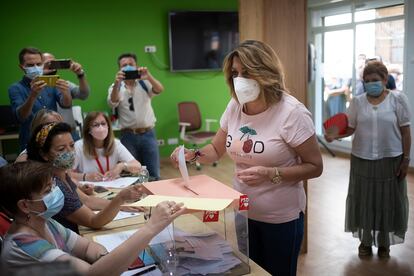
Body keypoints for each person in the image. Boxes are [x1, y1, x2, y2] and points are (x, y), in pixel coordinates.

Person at [170, 40, 323, 276]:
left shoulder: (292, 113)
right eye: (235, 73)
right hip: (243, 212)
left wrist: (272, 173)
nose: (239, 79)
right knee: (249, 272)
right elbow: (216, 149)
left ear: (266, 72)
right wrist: (193, 154)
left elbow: (315, 166)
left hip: (280, 219)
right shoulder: (235, 106)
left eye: (247, 72)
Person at [0, 161, 185, 275]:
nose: (56, 192)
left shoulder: (44, 222)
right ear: (25, 205)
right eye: (48, 191)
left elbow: (87, 246)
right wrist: (151, 228)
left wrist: (106, 260)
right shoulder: (26, 246)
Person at [325, 61, 411, 258]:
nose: (371, 84)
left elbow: (406, 132)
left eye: (375, 80)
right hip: (362, 159)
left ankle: (384, 243)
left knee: (387, 201)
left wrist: (406, 159)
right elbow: (350, 128)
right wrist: (334, 135)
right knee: (364, 200)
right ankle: (365, 241)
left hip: (391, 159)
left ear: (384, 79)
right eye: (367, 81)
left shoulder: (398, 100)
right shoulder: (357, 102)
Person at [27, 122, 143, 234]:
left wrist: (122, 206)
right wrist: (120, 198)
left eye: (72, 146)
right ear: (44, 154)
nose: (70, 152)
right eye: (61, 149)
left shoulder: (62, 174)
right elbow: (94, 221)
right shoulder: (53, 186)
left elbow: (88, 200)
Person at [107, 53, 164, 180]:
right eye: (124, 65)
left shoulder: (144, 83)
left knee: (153, 173)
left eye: (131, 64)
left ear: (136, 66)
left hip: (148, 134)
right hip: (128, 136)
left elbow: (160, 89)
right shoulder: (115, 87)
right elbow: (112, 101)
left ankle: (156, 198)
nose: (127, 67)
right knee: (130, 174)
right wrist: (117, 83)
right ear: (119, 69)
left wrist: (148, 76)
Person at [8, 47, 72, 150]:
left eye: (38, 64)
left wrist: (66, 93)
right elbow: (21, 117)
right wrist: (32, 96)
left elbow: (66, 104)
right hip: (30, 142)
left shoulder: (51, 83)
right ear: (22, 67)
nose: (36, 67)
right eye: (30, 65)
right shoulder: (15, 88)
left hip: (53, 139)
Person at [73, 112, 141, 182]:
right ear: (88, 130)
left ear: (108, 126)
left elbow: (138, 166)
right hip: (89, 189)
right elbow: (66, 173)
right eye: (95, 125)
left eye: (103, 123)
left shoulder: (115, 143)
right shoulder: (79, 146)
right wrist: (85, 176)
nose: (101, 128)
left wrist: (121, 166)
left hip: (111, 187)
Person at [43, 52, 90, 140]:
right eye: (47, 63)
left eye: (53, 63)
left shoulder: (64, 84)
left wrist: (80, 74)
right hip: (48, 135)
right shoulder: (36, 88)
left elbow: (84, 95)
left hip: (70, 133)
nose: (51, 66)